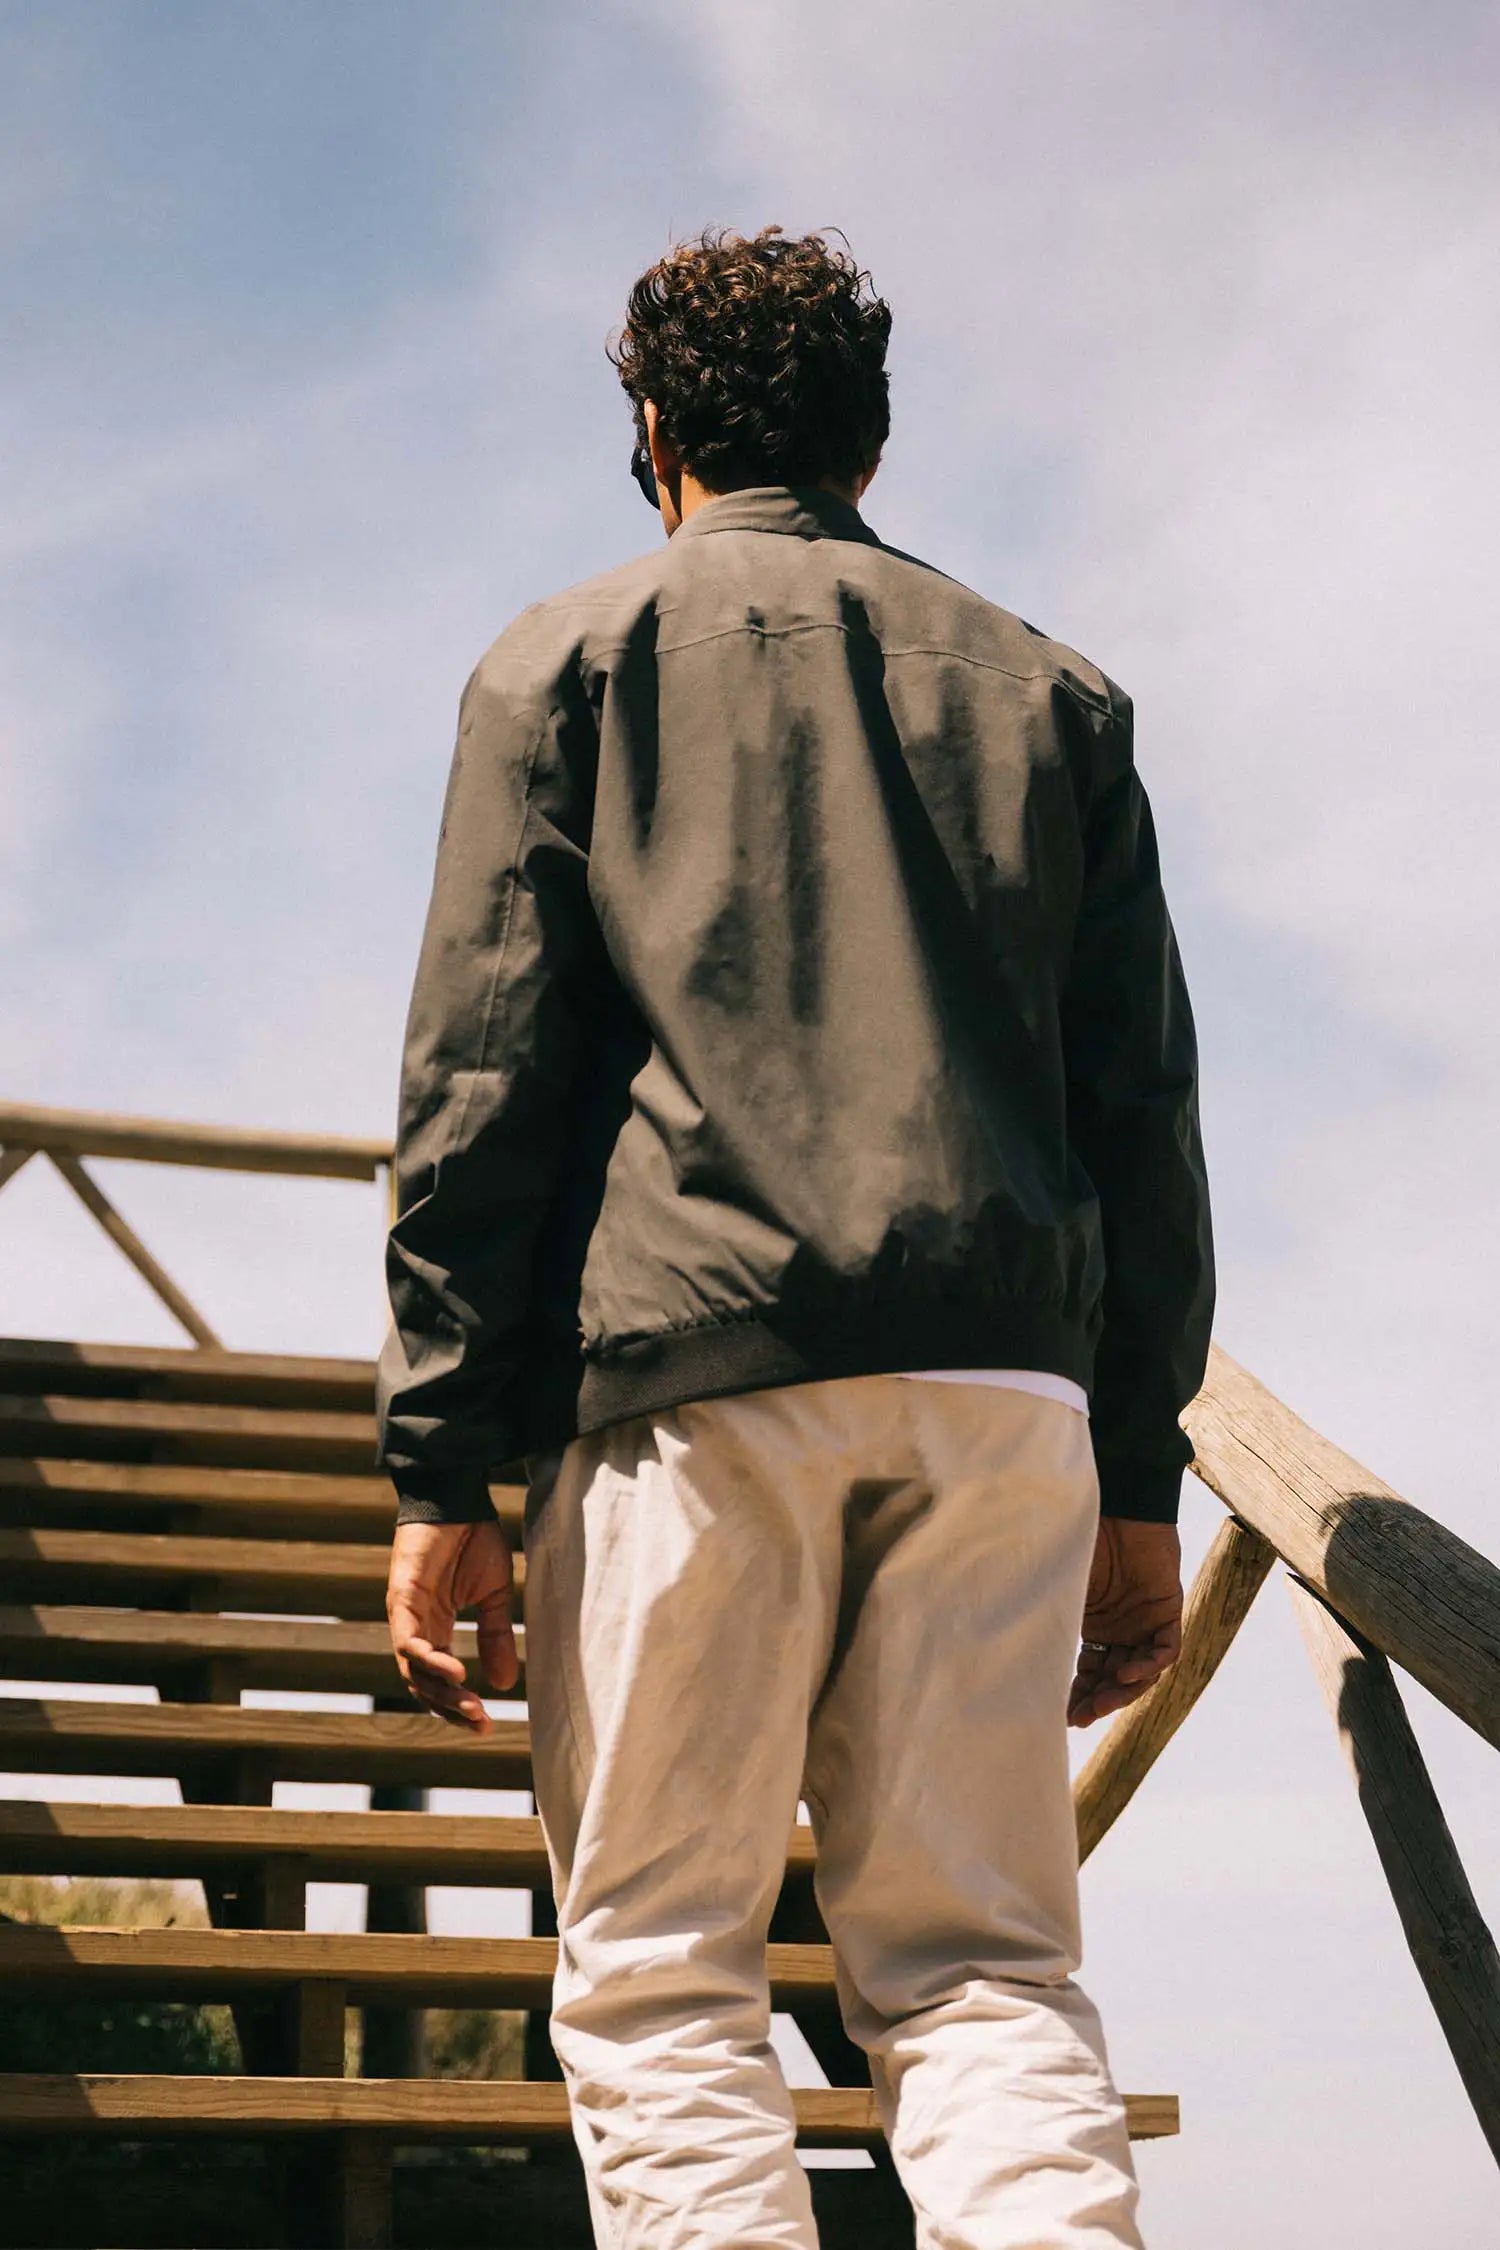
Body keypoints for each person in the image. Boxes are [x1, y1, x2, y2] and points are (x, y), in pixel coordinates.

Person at [378, 224, 1214, 2249]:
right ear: (871, 442)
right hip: (1005, 1387)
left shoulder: (565, 663)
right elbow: (1143, 1120)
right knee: (987, 1967)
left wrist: (441, 1464)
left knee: (664, 1973)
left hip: (689, 1373)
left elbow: (483, 1084)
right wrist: (1136, 1477)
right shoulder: (1055, 695)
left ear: (654, 431)